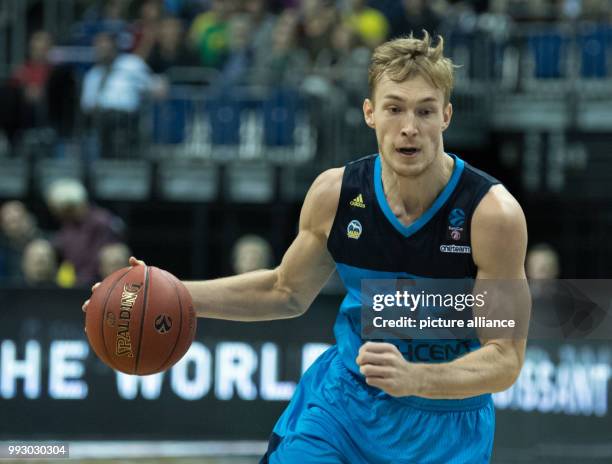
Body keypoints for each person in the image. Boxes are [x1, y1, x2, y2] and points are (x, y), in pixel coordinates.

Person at [83, 31, 529, 463]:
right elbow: (285, 290)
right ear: (370, 113)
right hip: (345, 407)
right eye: (394, 109)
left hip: (445, 427)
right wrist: (166, 293)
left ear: (446, 117)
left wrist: (414, 378)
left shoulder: (492, 215)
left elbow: (504, 360)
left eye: (425, 112)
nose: (409, 128)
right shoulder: (336, 194)